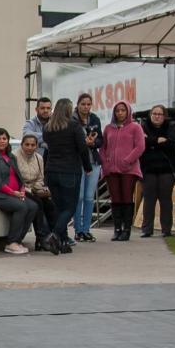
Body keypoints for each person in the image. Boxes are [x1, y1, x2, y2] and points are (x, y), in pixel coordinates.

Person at [42, 97, 92, 252]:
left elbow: (47, 148)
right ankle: (55, 235)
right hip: (69, 171)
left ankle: (62, 243)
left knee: (58, 207)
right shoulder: (74, 126)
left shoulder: (48, 127)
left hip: (51, 170)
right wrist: (87, 167)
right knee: (70, 207)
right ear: (69, 110)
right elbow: (83, 148)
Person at [0, 128, 37, 255]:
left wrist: (21, 190)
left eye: (4, 138)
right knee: (21, 206)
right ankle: (11, 242)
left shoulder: (11, 157)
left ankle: (18, 241)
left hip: (10, 194)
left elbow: (18, 177)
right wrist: (12, 193)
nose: (2, 141)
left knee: (33, 206)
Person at [100, 101, 144, 241]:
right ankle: (117, 228)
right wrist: (105, 163)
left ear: (128, 112)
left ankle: (126, 229)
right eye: (117, 110)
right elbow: (103, 147)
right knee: (115, 199)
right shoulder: (108, 128)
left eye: (123, 110)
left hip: (128, 170)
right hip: (111, 170)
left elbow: (140, 147)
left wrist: (127, 160)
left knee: (126, 198)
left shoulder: (135, 127)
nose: (120, 113)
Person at [138, 104, 175, 238]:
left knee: (165, 199)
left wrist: (152, 143)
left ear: (164, 116)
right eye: (154, 114)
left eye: (160, 114)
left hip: (166, 168)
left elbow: (173, 143)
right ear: (150, 115)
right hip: (148, 168)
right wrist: (157, 140)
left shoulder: (170, 127)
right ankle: (147, 229)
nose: (157, 116)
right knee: (149, 199)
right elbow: (141, 143)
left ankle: (166, 229)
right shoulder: (143, 127)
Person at [15, 134, 59, 254]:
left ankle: (54, 235)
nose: (30, 147)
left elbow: (40, 177)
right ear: (22, 145)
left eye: (33, 145)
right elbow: (15, 179)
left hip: (34, 188)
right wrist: (30, 190)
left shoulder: (39, 158)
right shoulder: (15, 156)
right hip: (20, 189)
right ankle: (43, 237)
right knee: (38, 203)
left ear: (36, 146)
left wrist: (38, 189)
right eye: (27, 144)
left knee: (50, 204)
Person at [72, 93, 104, 242]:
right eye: (83, 104)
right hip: (77, 161)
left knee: (89, 197)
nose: (86, 107)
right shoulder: (72, 119)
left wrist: (93, 142)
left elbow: (101, 140)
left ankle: (86, 229)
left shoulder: (95, 119)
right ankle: (78, 230)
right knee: (78, 196)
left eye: (88, 104)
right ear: (77, 104)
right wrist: (82, 142)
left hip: (93, 161)